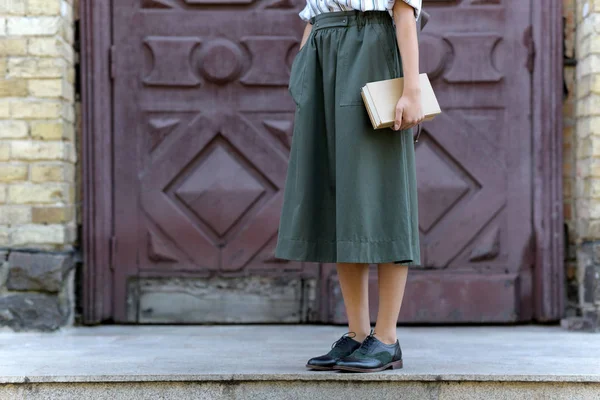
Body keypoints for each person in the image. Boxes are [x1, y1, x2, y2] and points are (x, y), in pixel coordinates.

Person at [275, 0, 424, 373]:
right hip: (324, 54)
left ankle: (387, 338)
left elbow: (404, 13)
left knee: (385, 192)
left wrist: (411, 89)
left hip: (372, 48)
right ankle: (357, 334)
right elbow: (311, 13)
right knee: (341, 194)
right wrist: (303, 64)